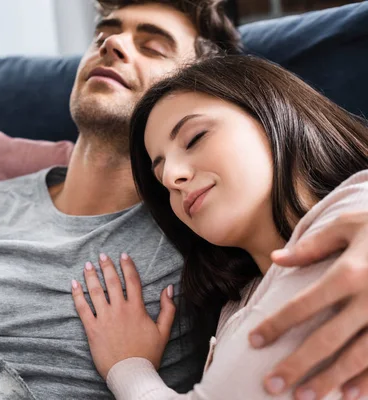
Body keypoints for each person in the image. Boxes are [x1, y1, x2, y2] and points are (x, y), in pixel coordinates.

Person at [0, 1, 367, 399]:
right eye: (106, 33)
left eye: (152, 44)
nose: (114, 46)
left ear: (218, 86)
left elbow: (310, 211)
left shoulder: (210, 230)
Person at [71, 55, 368, 399]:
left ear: (273, 111)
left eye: (195, 137)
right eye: (160, 176)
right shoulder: (234, 309)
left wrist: (129, 369)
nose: (171, 177)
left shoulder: (353, 210)